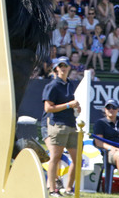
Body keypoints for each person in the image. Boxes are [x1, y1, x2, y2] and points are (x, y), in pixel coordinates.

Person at [43, 56, 81, 197]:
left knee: (77, 159)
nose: (64, 68)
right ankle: (53, 190)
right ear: (56, 69)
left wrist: (76, 108)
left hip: (71, 124)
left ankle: (69, 189)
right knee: (55, 158)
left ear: (69, 67)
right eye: (61, 66)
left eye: (66, 65)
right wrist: (67, 105)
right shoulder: (52, 85)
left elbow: (72, 105)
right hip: (58, 125)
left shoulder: (71, 84)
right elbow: (48, 108)